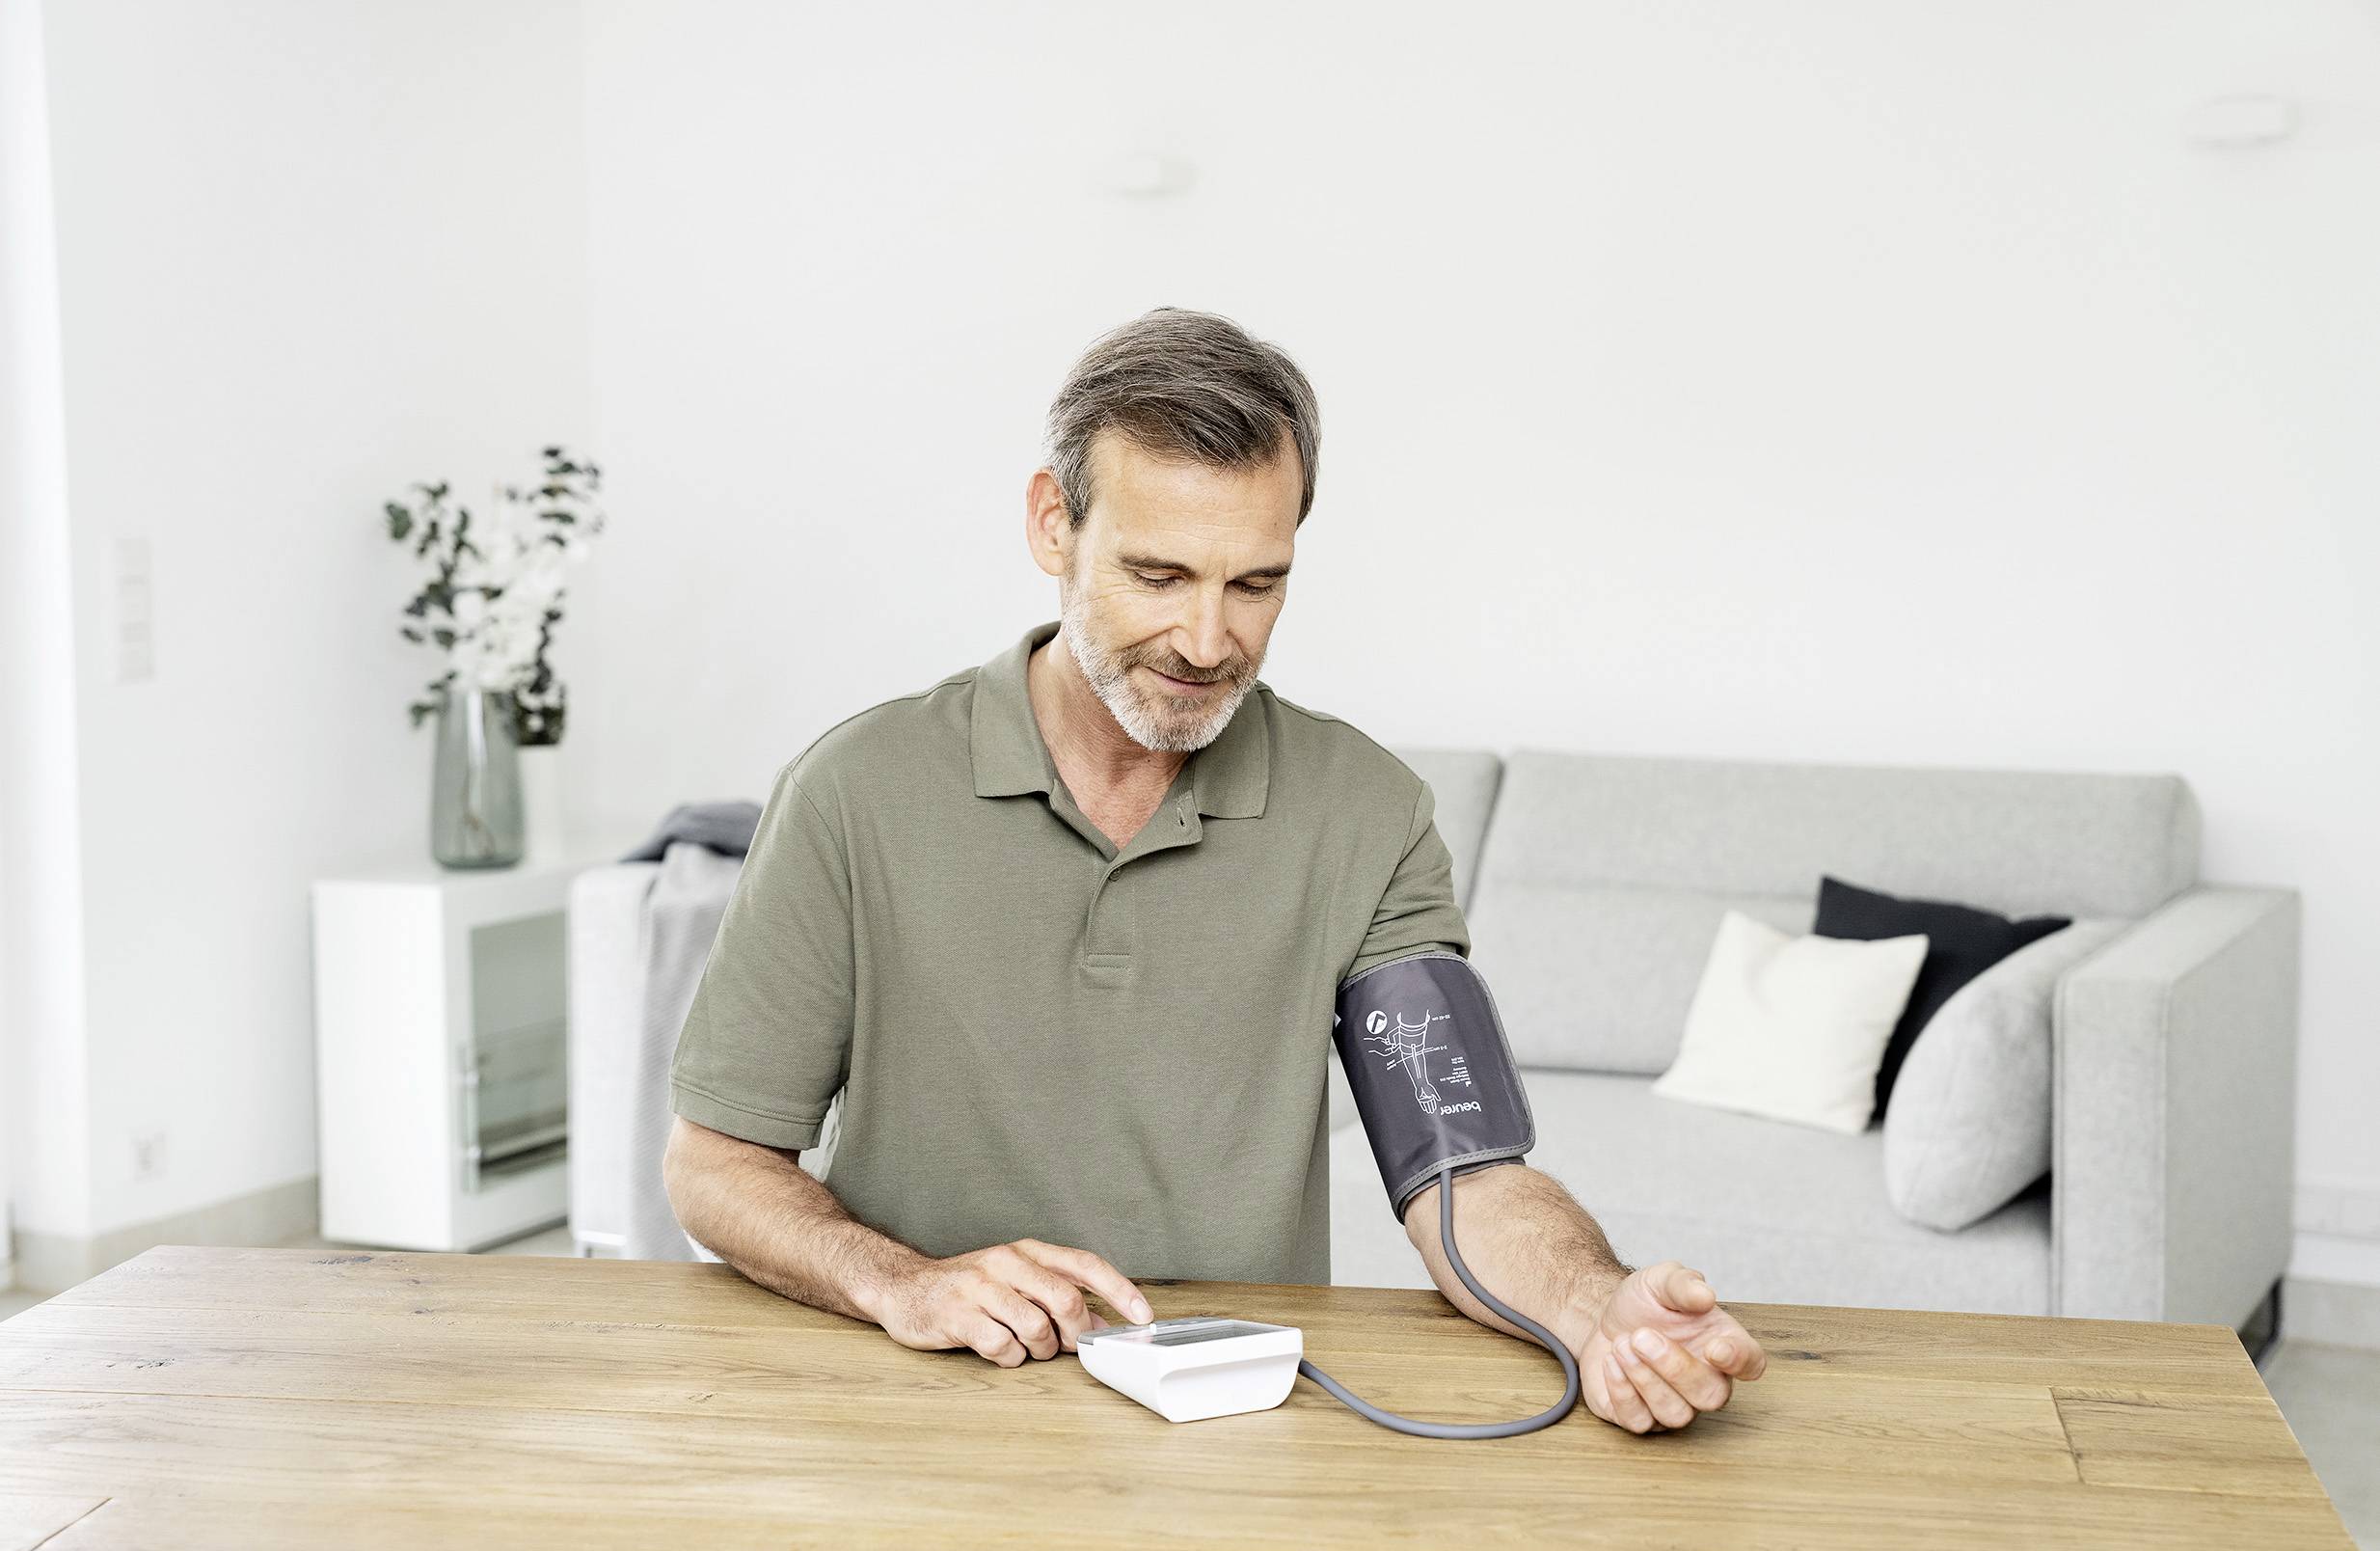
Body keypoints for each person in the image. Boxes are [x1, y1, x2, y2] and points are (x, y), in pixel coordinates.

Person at [662, 307, 1767, 1433]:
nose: (1205, 640)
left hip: (1231, 1422)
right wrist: (902, 1280)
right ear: (1053, 524)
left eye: (1254, 584)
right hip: (907, 1398)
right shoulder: (856, 788)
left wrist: (1594, 1304)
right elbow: (714, 1162)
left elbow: (1464, 1172)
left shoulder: (1367, 812)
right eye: (1158, 573)